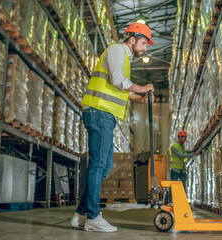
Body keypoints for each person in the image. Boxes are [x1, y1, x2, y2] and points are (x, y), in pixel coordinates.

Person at [70, 22, 155, 233]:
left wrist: (140, 98)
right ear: (132, 39)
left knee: (105, 165)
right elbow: (119, 81)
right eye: (143, 43)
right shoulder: (118, 50)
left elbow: (121, 90)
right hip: (100, 113)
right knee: (99, 164)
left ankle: (81, 214)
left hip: (104, 115)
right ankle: (93, 216)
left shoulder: (124, 58)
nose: (144, 49)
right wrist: (143, 88)